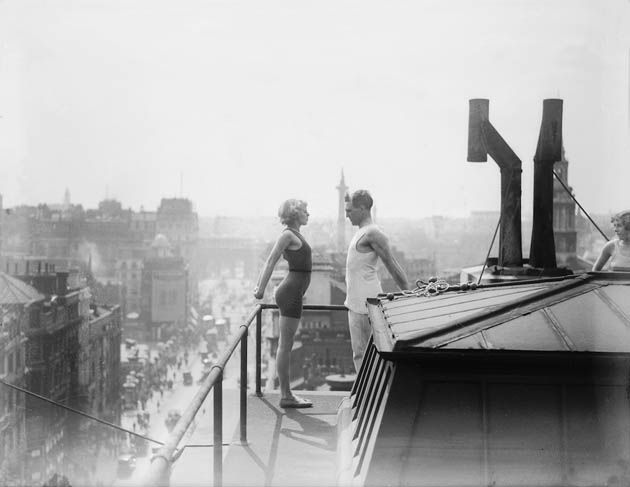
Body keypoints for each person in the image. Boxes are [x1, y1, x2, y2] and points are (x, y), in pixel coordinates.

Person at [254, 198, 313, 408]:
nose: (308, 214)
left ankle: (287, 394)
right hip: (290, 293)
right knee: (285, 346)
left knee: (285, 345)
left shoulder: (295, 235)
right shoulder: (288, 235)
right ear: (295, 214)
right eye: (305, 211)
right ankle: (286, 395)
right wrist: (260, 290)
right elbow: (270, 260)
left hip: (293, 292)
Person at [344, 190, 409, 372]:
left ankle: (373, 397)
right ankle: (365, 397)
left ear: (363, 209)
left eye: (350, 210)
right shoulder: (362, 232)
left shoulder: (373, 233)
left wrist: (408, 292)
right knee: (360, 354)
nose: (346, 215)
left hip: (366, 305)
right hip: (356, 304)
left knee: (369, 355)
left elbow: (392, 264)